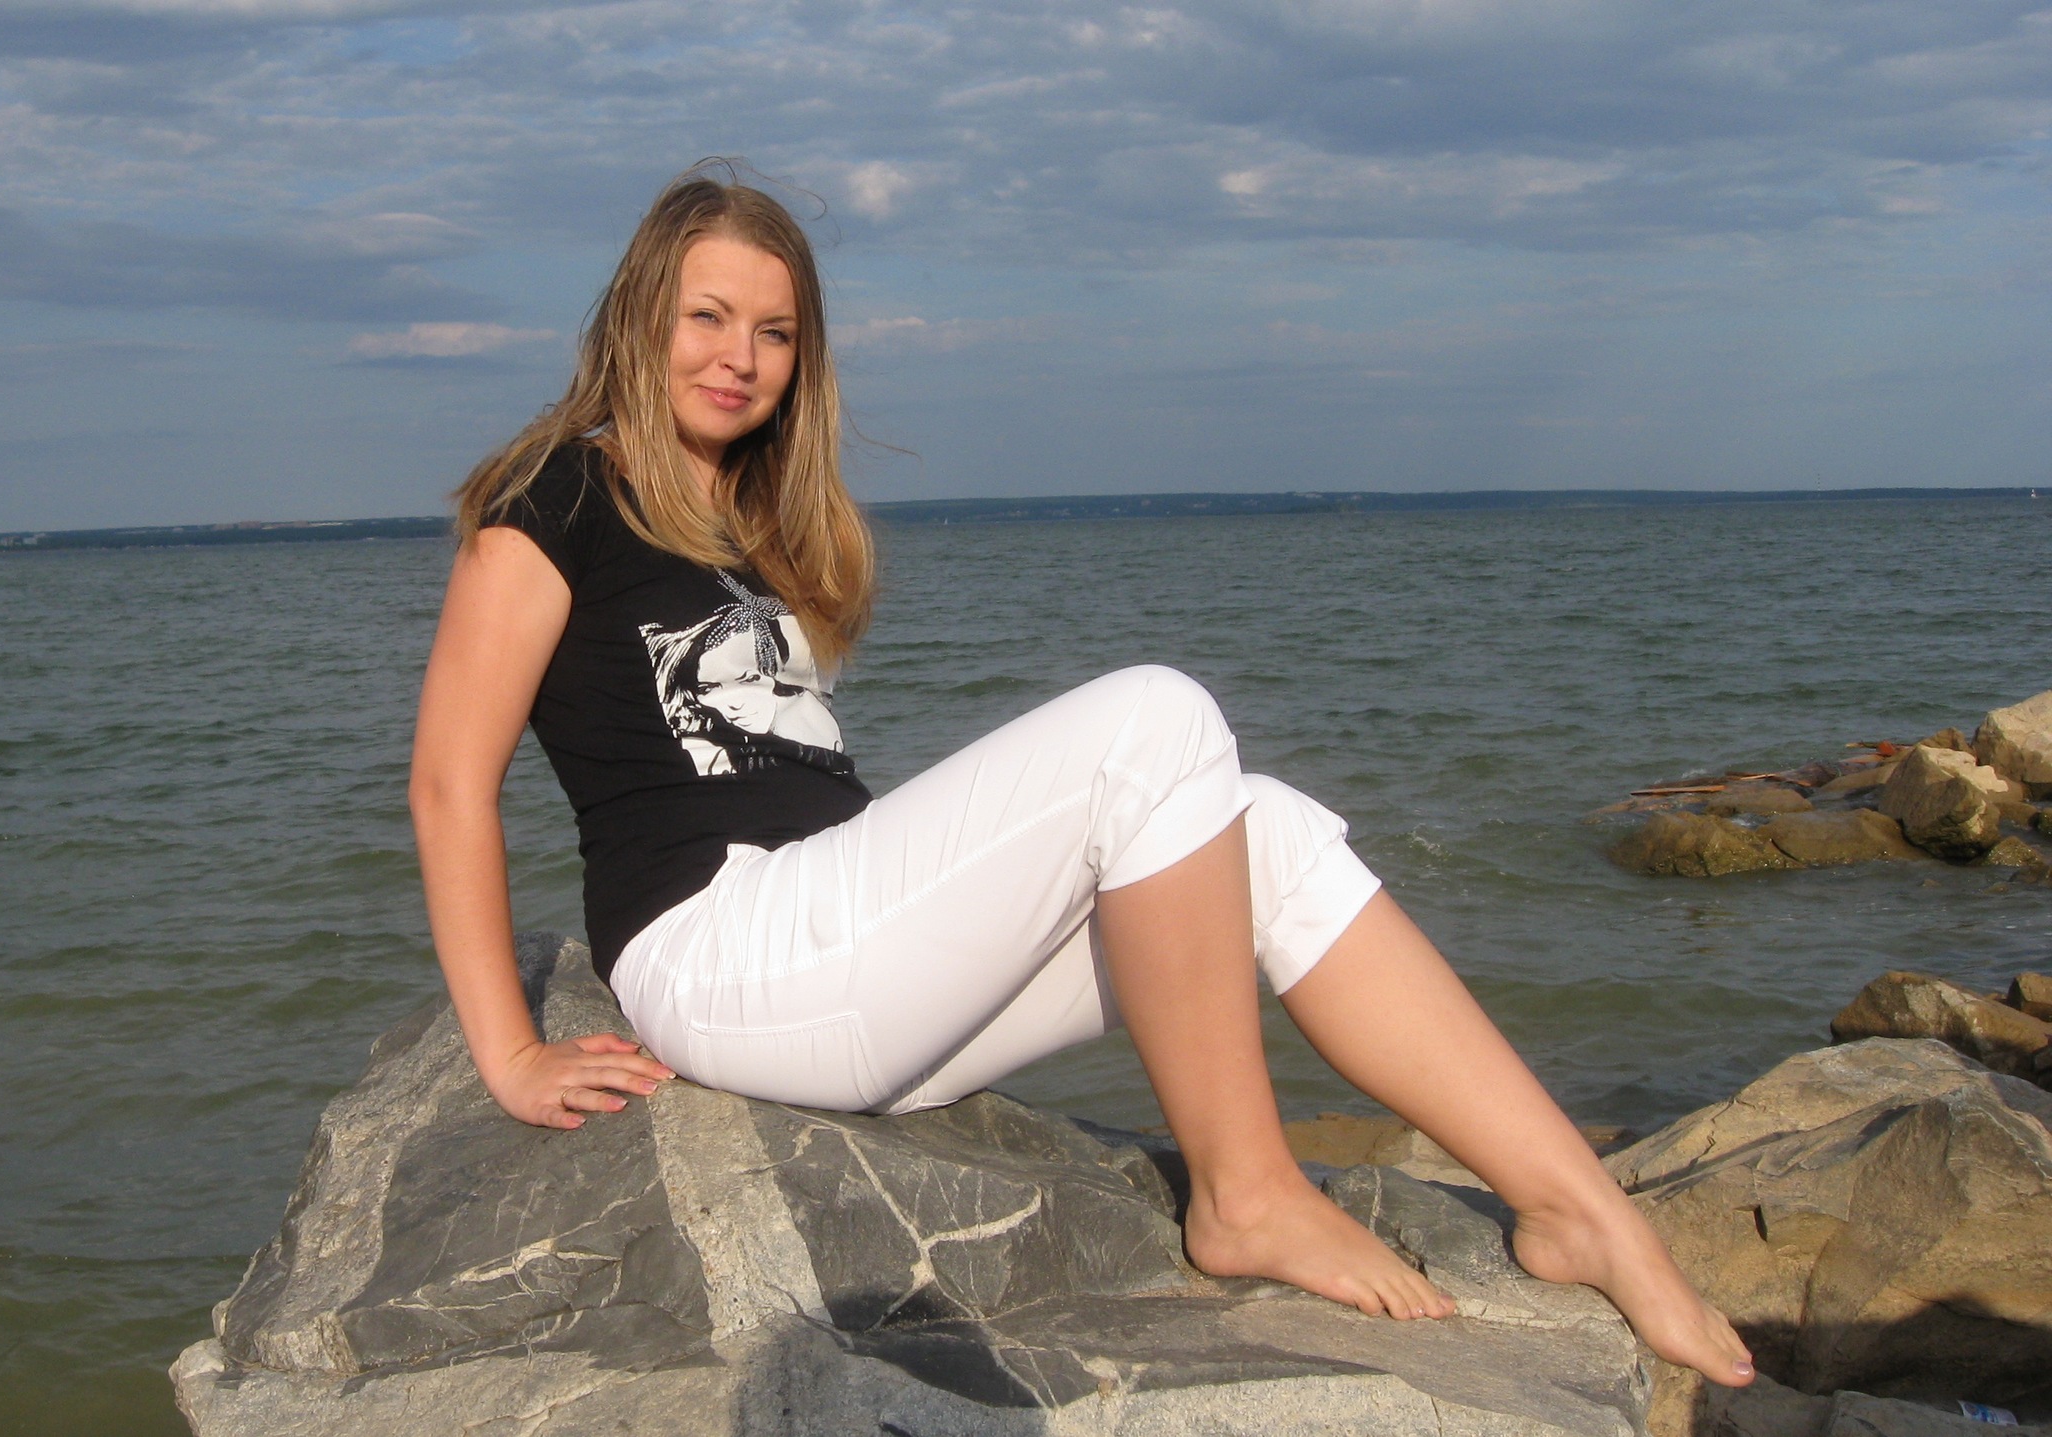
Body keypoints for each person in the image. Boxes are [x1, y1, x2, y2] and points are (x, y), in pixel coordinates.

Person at [407, 163, 1756, 1387]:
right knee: (1156, 720)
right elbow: (449, 786)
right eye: (707, 317)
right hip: (722, 948)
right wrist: (510, 1054)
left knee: (1265, 830)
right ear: (639, 316)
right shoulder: (556, 499)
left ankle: (1582, 1212)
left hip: (842, 968)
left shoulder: (743, 516)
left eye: (775, 332)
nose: (739, 357)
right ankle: (1246, 1194)